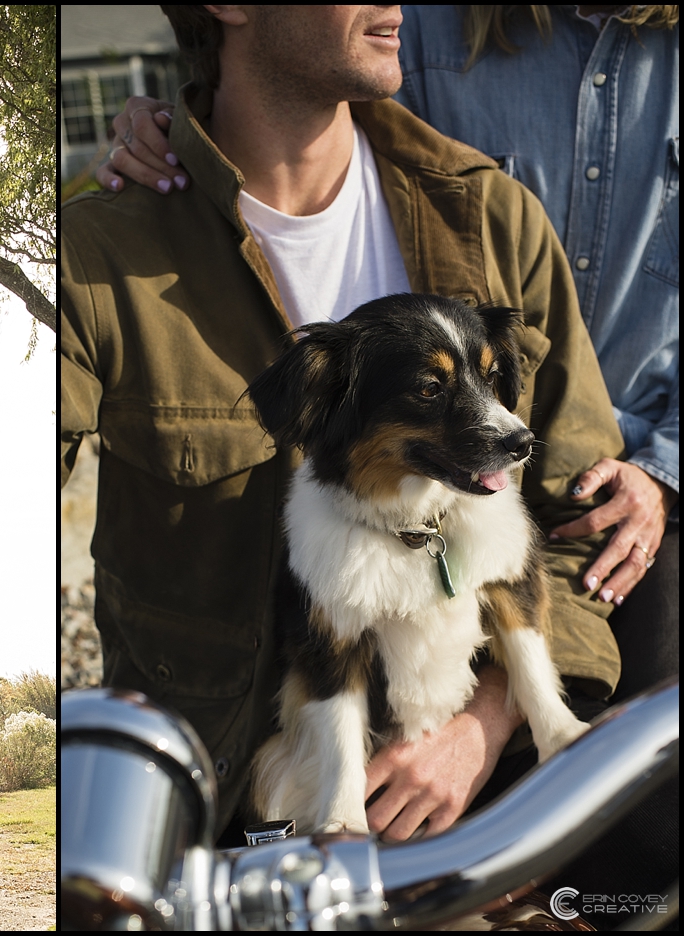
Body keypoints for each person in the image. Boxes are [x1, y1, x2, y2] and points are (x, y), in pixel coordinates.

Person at [62, 3, 625, 852]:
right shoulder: (93, 253)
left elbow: (582, 516)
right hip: (228, 815)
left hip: (496, 794)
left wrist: (484, 727)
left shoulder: (493, 219)